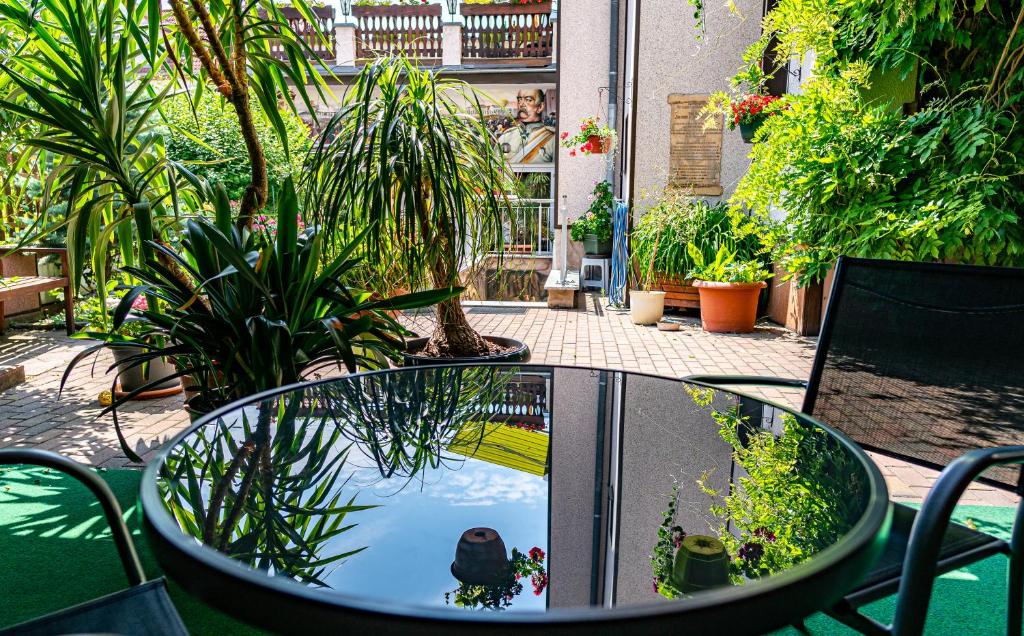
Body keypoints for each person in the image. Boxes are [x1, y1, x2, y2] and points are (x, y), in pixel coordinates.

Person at [498, 89, 556, 164]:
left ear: (540, 107)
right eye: (519, 99)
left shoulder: (552, 138)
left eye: (528, 100)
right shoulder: (506, 136)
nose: (521, 104)